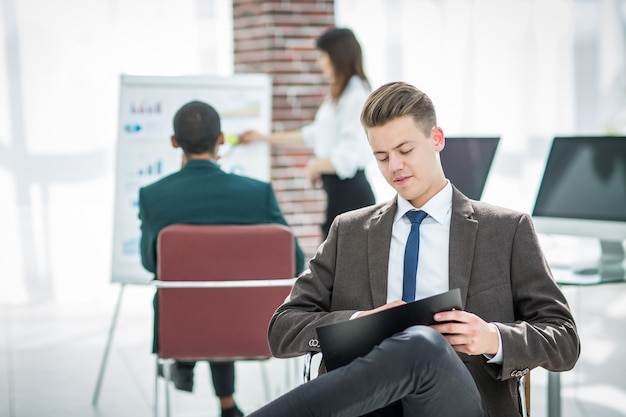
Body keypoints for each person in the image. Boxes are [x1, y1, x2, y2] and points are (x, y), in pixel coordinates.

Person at [247, 82, 581, 417]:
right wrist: (360, 322)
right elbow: (282, 329)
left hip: (460, 402)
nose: (394, 167)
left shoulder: (506, 230)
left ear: (436, 139)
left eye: (405, 151)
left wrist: (493, 338)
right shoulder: (348, 231)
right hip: (370, 407)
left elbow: (564, 339)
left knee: (422, 346)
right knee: (411, 347)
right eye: (382, 157)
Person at [138, 100, 306, 417]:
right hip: (251, 326)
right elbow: (293, 262)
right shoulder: (256, 193)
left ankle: (185, 365)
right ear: (221, 139)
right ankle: (226, 404)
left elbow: (151, 264)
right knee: (224, 297)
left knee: (201, 297)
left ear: (175, 142)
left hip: (180, 327)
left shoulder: (153, 195)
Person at [240, 27, 376, 239]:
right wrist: (262, 138)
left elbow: (346, 157)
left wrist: (314, 165)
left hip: (351, 195)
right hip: (338, 193)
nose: (319, 63)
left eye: (322, 56)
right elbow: (313, 135)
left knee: (340, 265)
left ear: (337, 56)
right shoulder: (338, 97)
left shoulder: (356, 97)